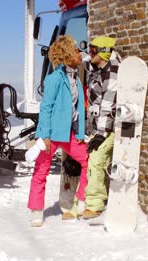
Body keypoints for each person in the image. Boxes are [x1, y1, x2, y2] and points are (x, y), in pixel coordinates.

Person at [27, 35, 88, 227]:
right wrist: (43, 136)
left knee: (87, 161)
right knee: (41, 171)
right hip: (51, 135)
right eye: (77, 51)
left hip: (69, 133)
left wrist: (79, 134)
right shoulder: (54, 78)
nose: (80, 54)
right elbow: (45, 108)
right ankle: (37, 211)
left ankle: (81, 200)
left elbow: (77, 110)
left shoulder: (75, 77)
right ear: (68, 54)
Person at [82, 36, 122, 219]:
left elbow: (108, 105)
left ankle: (95, 204)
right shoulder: (98, 65)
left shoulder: (112, 72)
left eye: (93, 51)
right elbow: (85, 62)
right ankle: (99, 195)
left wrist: (101, 134)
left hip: (109, 127)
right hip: (96, 125)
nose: (89, 54)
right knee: (94, 159)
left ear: (104, 53)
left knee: (96, 159)